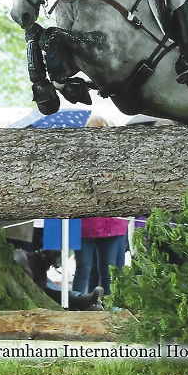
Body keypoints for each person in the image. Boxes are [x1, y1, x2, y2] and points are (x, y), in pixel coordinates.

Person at [73, 114, 130, 296]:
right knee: (104, 271)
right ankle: (101, 307)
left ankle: (79, 305)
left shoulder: (79, 157)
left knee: (88, 269)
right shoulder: (119, 157)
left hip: (99, 222)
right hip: (99, 222)